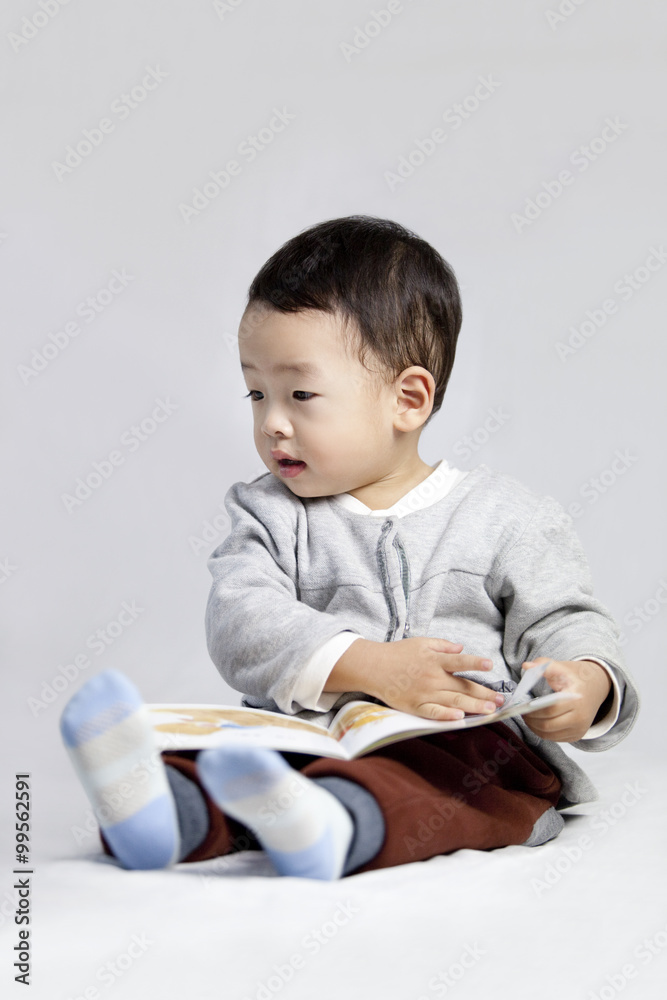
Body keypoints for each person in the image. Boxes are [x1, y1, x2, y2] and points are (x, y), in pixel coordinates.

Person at [60, 216, 639, 880]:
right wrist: (367, 666)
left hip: (461, 741)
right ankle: (162, 815)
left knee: (451, 781)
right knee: (233, 754)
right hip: (312, 733)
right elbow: (239, 618)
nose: (272, 422)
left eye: (300, 394)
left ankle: (335, 822)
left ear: (407, 399)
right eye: (257, 393)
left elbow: (564, 619)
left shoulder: (505, 518)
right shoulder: (268, 513)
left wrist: (587, 682)